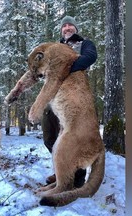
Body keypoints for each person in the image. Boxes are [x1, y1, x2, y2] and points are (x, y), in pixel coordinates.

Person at [41, 15, 98, 188]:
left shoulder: (85, 43)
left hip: (75, 99)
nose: (67, 28)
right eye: (64, 26)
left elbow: (89, 58)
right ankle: (63, 170)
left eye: (70, 26)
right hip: (54, 97)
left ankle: (77, 177)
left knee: (74, 138)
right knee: (49, 136)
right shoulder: (55, 47)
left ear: (75, 28)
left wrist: (63, 68)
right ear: (61, 30)